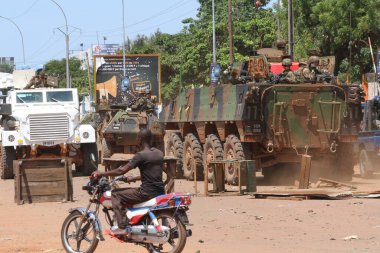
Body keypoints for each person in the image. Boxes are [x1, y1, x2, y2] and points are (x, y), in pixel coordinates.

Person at [91, 128, 165, 235]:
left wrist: (101, 173)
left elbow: (122, 170)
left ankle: (122, 227)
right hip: (160, 191)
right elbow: (152, 174)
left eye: (137, 138)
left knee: (116, 194)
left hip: (146, 193)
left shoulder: (141, 155)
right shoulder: (159, 153)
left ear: (140, 139)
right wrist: (133, 178)